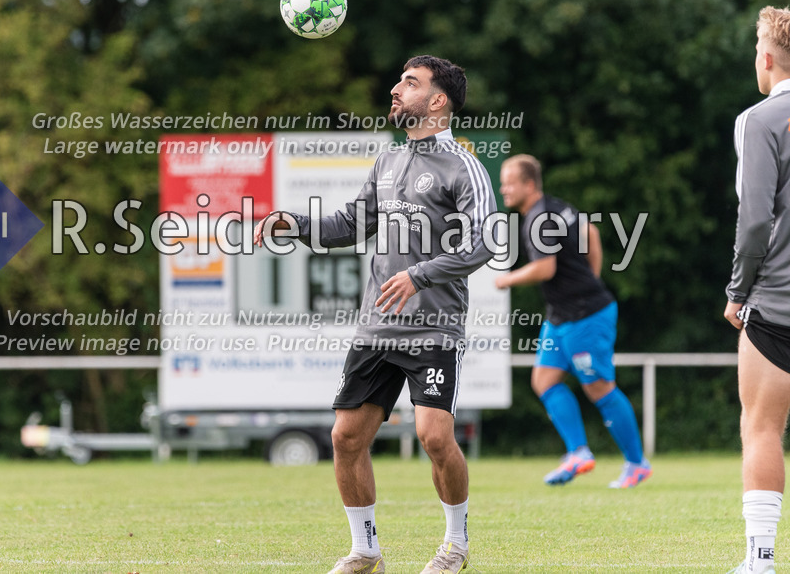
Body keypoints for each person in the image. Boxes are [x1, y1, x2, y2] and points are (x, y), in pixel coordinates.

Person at [254, 55, 496, 574]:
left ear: (437, 100)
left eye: (410, 83)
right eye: (399, 81)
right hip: (377, 327)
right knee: (345, 437)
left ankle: (455, 545)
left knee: (434, 436)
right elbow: (351, 223)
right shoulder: (389, 160)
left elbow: (483, 244)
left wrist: (419, 275)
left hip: (433, 326)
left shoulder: (464, 167)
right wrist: (294, 222)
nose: (395, 89)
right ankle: (365, 551)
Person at [495, 154, 651, 488]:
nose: (503, 188)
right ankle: (578, 452)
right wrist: (591, 275)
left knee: (598, 387)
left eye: (509, 183)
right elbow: (590, 231)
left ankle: (637, 464)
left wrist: (506, 279)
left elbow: (545, 268)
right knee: (544, 380)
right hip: (561, 316)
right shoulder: (555, 207)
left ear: (529, 185)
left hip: (586, 315)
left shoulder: (539, 218)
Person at [724, 5, 790, 574]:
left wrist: (738, 290)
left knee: (763, 427)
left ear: (766, 58)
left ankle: (761, 560)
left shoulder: (759, 119)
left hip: (778, 302)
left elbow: (754, 222)